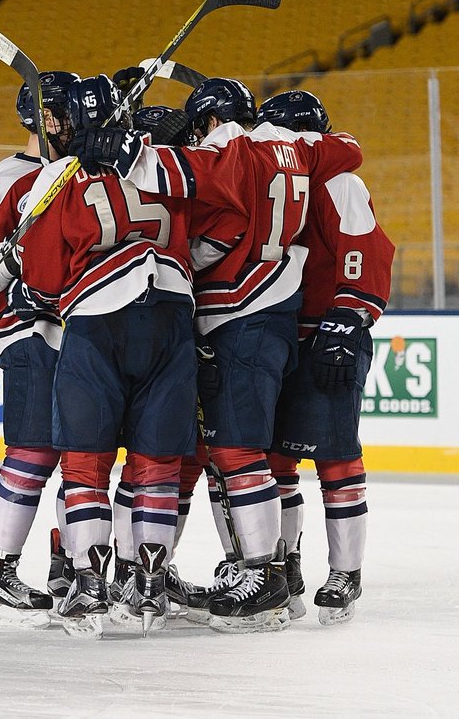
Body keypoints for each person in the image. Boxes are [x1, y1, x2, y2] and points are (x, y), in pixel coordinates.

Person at [70, 76, 363, 633]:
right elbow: (348, 146)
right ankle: (252, 571)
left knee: (234, 452)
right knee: (229, 453)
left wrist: (126, 149)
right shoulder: (298, 147)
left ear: (207, 121)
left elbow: (190, 181)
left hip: (240, 312)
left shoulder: (231, 147)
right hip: (270, 310)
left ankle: (264, 578)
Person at [19, 76, 200, 638]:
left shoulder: (56, 177)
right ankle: (148, 584)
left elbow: (45, 277)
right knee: (156, 460)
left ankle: (90, 584)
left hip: (98, 319)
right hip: (173, 313)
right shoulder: (157, 161)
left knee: (86, 461)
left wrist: (34, 286)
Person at [257, 90, 395, 625]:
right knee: (274, 461)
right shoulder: (272, 180)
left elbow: (367, 248)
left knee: (335, 455)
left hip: (331, 331)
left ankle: (345, 570)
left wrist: (351, 312)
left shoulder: (339, 181)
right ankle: (284, 564)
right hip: (277, 332)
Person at [0, 70, 79, 630]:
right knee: (33, 451)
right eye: (70, 112)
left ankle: (70, 567)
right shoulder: (5, 179)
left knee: (83, 453)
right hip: (31, 334)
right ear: (47, 119)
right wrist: (0, 262)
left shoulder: (78, 173)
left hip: (80, 333)